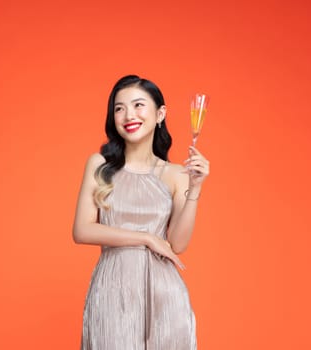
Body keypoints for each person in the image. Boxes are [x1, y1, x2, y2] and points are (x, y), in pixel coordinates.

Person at [73, 75, 210, 350]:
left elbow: (178, 244)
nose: (128, 115)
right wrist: (146, 238)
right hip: (113, 289)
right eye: (119, 108)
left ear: (160, 114)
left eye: (138, 105)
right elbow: (82, 230)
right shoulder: (99, 165)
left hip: (164, 292)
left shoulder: (175, 174)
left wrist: (194, 187)